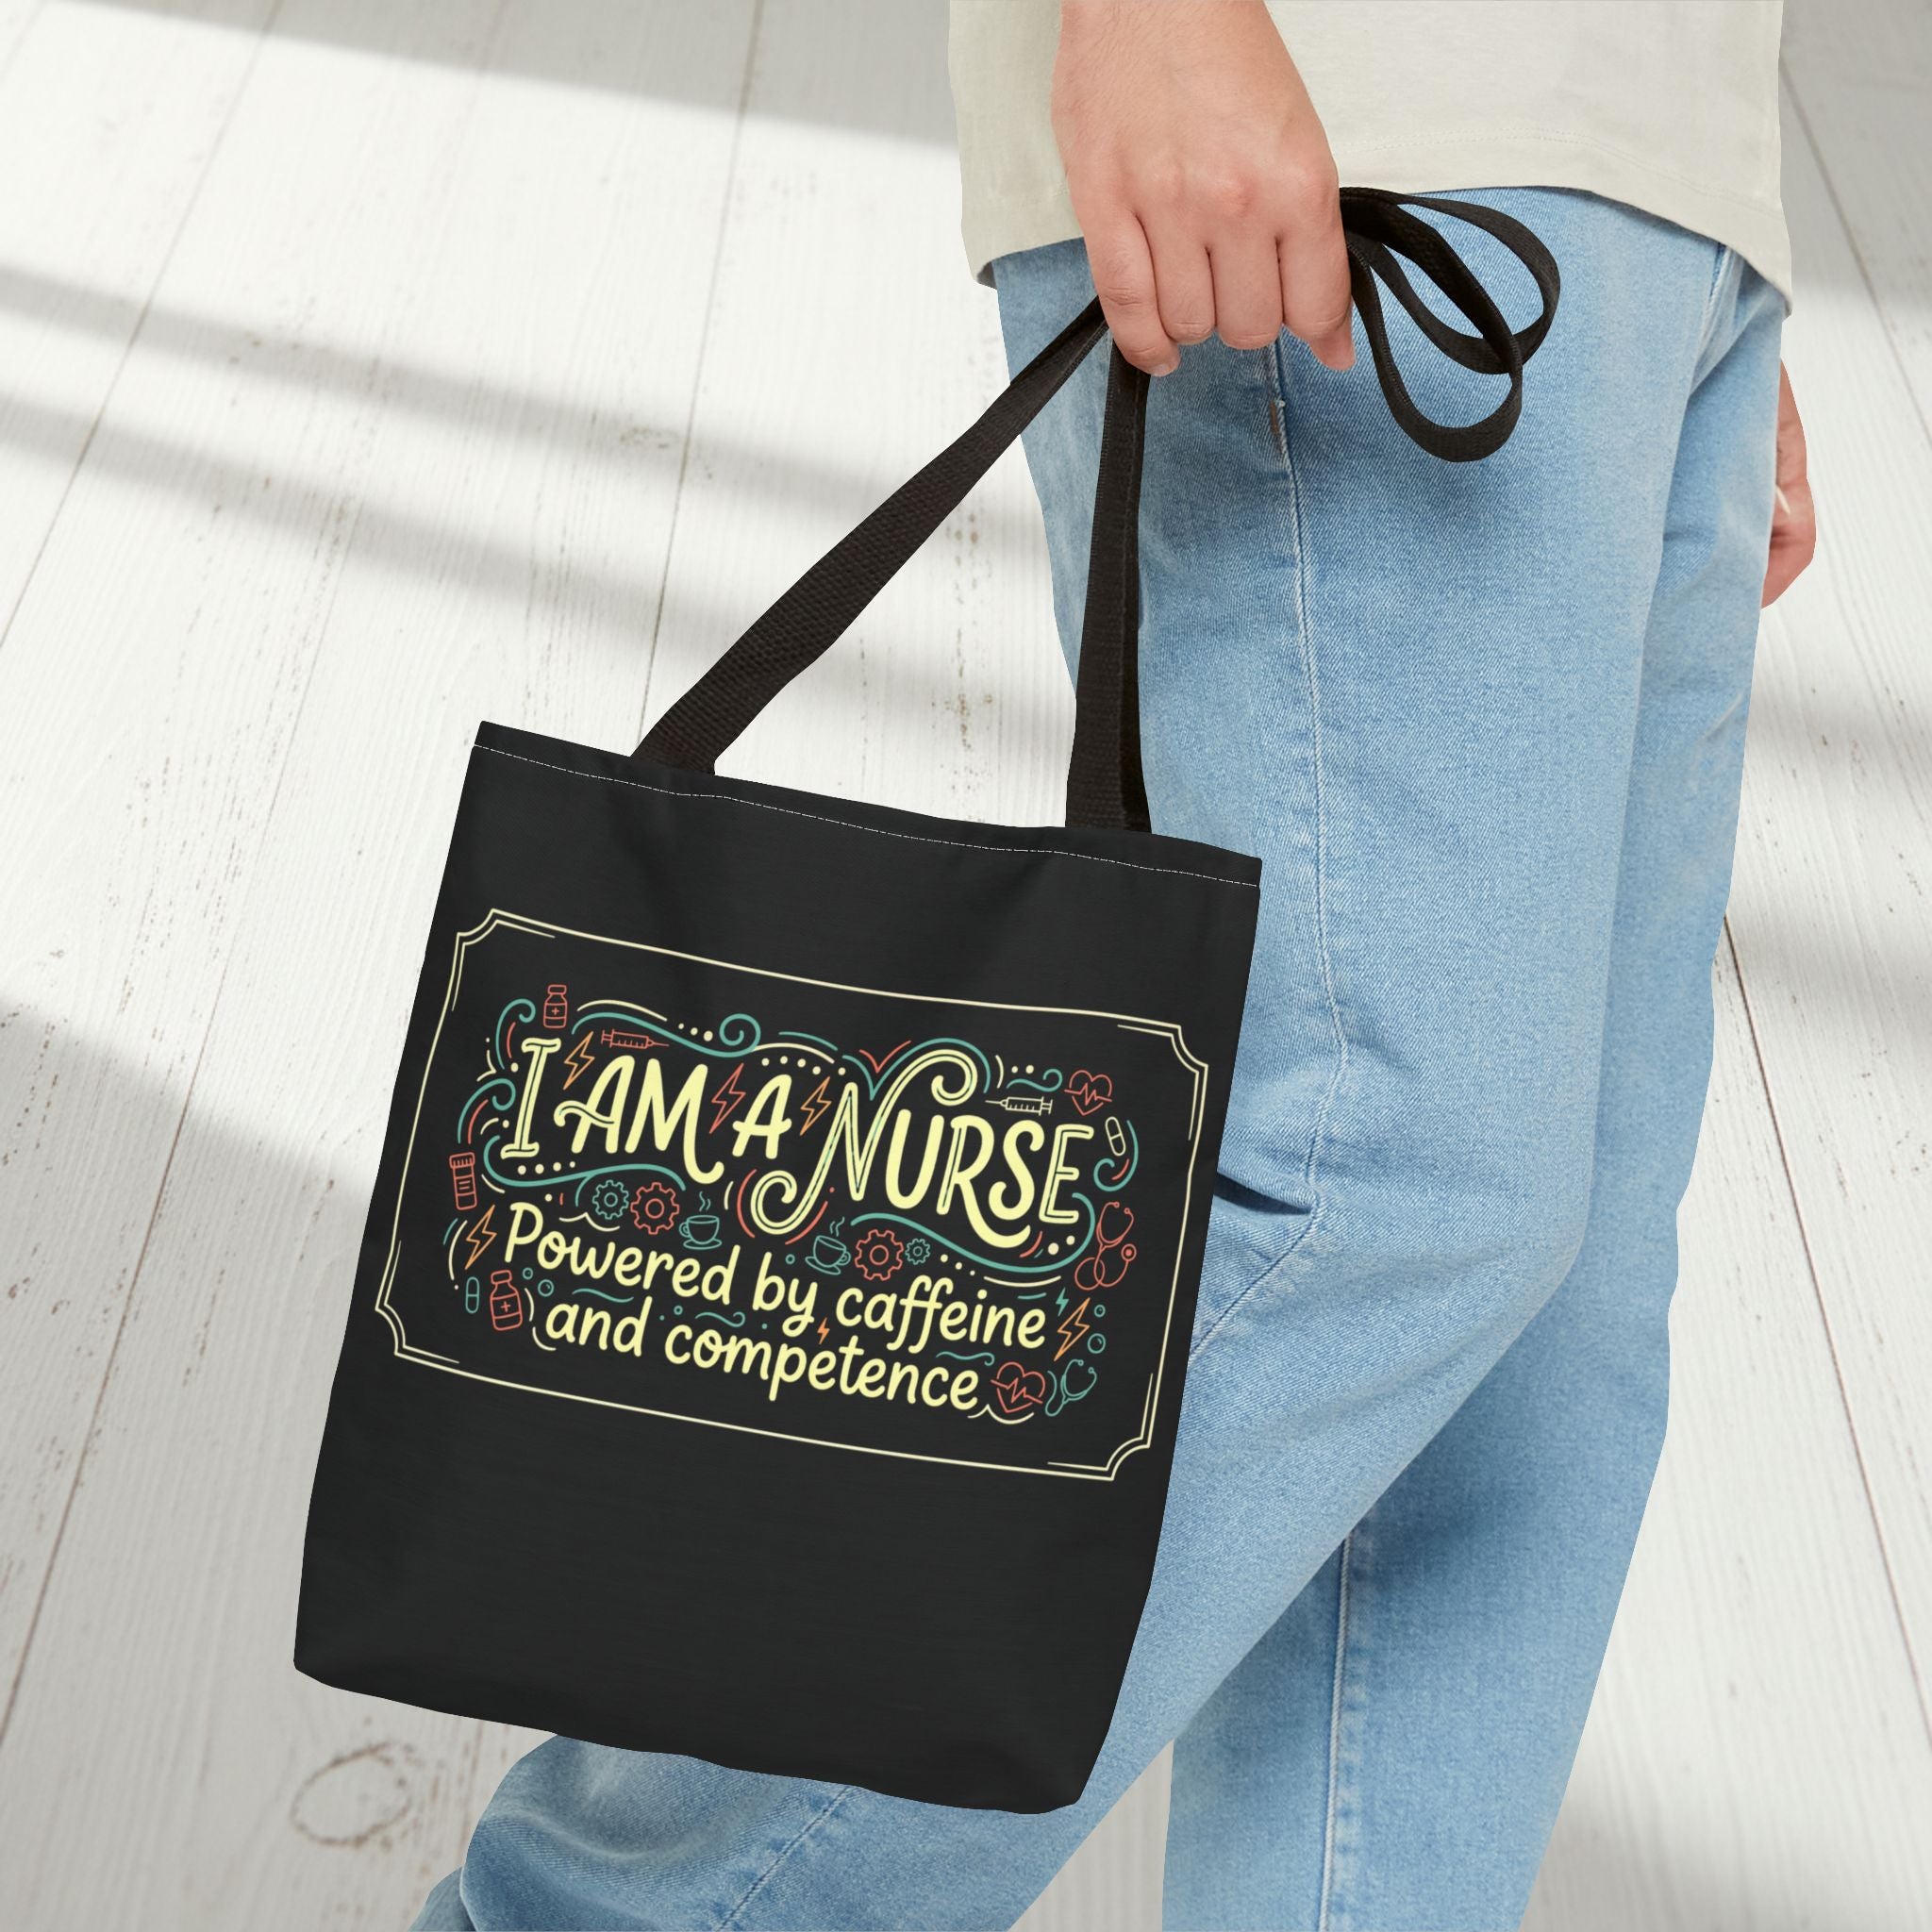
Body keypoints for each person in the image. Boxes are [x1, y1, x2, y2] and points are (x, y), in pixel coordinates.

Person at [414, 3, 1814, 1925]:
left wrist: (1708, 222)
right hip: (1367, 111)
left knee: (1530, 1357)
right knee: (1374, 1188)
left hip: (1645, 183)